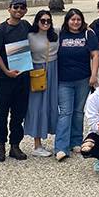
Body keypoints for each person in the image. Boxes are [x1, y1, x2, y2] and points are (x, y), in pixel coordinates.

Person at [55, 8, 99, 161]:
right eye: (72, 19)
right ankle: (61, 147)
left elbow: (95, 54)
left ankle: (76, 141)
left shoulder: (88, 34)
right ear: (67, 21)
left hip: (83, 79)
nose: (75, 22)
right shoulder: (59, 35)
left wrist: (94, 75)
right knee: (65, 112)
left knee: (78, 111)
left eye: (78, 20)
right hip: (64, 80)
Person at [0, 0, 31, 162]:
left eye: (22, 7)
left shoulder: (26, 26)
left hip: (22, 77)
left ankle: (15, 145)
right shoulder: (0, 30)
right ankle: (0, 145)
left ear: (25, 10)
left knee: (18, 114)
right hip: (4, 79)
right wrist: (6, 71)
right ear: (9, 9)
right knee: (2, 113)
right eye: (16, 7)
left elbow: (43, 32)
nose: (19, 10)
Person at [24, 10, 59, 157]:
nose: (45, 23)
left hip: (54, 70)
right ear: (37, 21)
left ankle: (60, 140)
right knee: (37, 106)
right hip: (37, 72)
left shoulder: (57, 33)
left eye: (48, 21)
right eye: (42, 20)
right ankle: (37, 144)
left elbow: (78, 27)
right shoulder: (30, 36)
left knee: (52, 104)